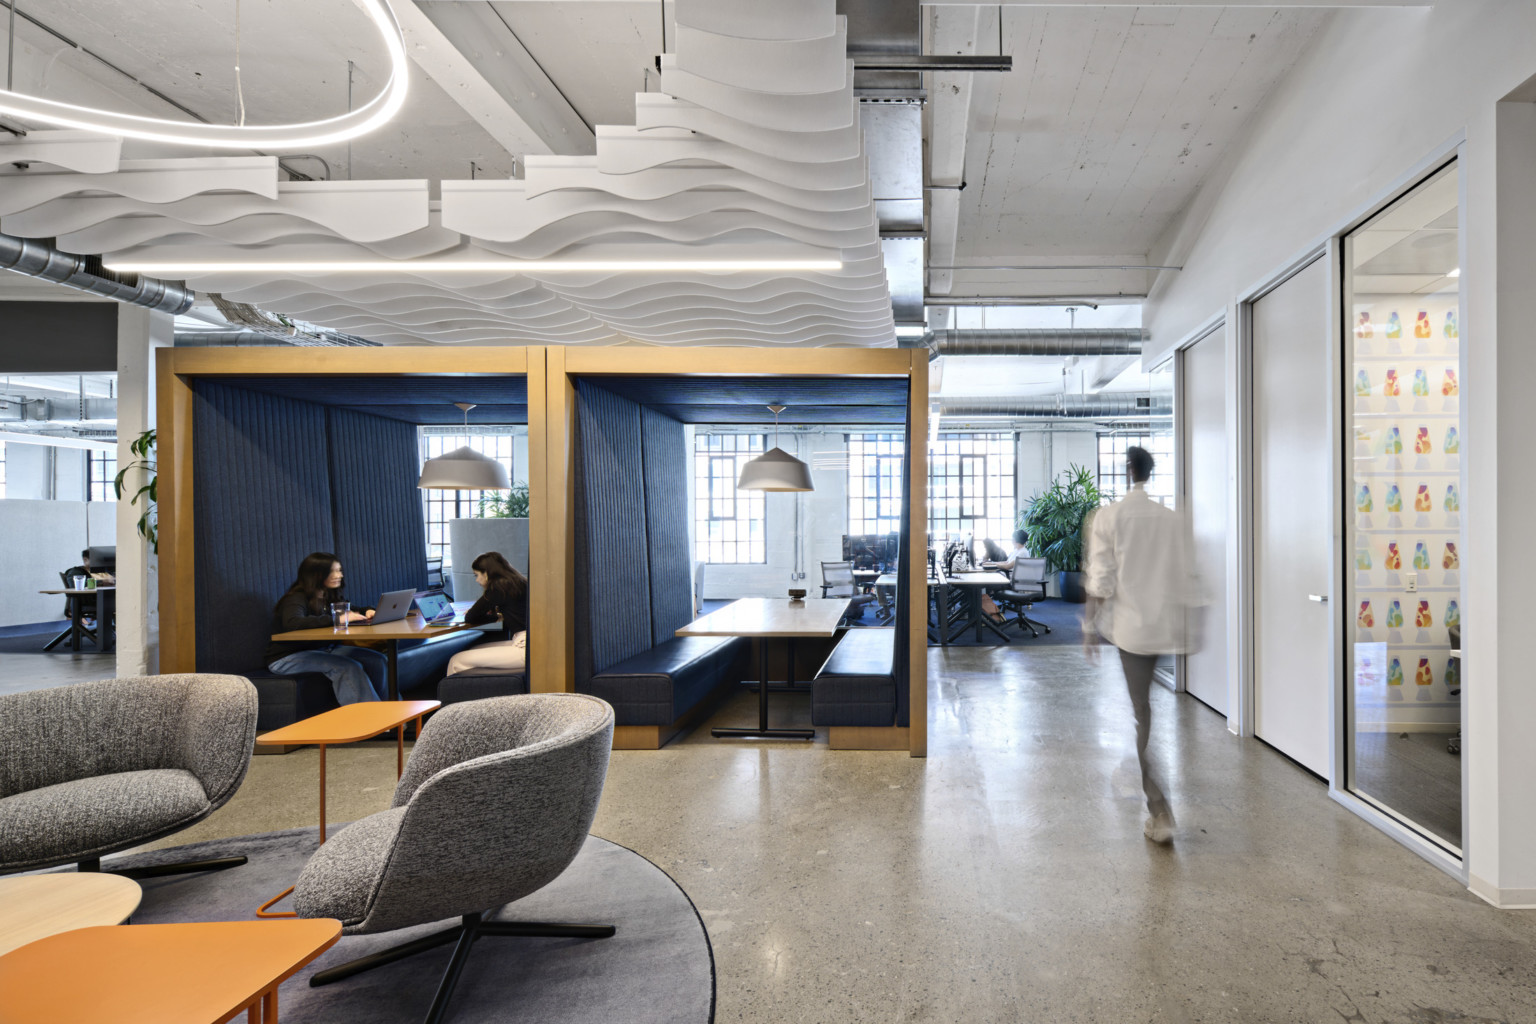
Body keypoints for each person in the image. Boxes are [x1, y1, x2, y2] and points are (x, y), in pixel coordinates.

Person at [1082, 447, 1199, 845]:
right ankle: (1144, 787)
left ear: (1127, 470)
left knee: (1141, 714)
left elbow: (1101, 578)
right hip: (1165, 626)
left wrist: (1087, 624)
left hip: (1132, 630)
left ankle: (1160, 810)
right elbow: (1188, 573)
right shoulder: (1171, 520)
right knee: (1143, 712)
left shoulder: (1110, 517)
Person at [265, 552, 387, 704]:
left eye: (340, 570)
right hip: (286, 658)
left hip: (322, 650)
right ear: (316, 575)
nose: (339, 575)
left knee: (378, 659)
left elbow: (354, 610)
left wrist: (368, 610)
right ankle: (373, 722)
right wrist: (337, 619)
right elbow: (293, 623)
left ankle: (394, 714)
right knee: (347, 667)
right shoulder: (296, 598)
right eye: (333, 571)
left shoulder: (328, 596)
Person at [445, 551, 529, 676]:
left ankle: (454, 695)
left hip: (524, 648)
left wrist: (494, 617)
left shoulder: (498, 588)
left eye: (477, 575)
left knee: (456, 661)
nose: (477, 580)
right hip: (527, 642)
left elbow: (470, 617)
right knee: (474, 650)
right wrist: (497, 616)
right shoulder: (519, 582)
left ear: (487, 573)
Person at [979, 529, 1031, 622]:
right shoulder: (1017, 550)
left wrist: (993, 565)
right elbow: (1006, 562)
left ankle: (990, 614)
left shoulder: (1022, 552)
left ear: (1015, 539)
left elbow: (1008, 566)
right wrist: (992, 563)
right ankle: (987, 612)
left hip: (1012, 581)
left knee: (984, 585)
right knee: (984, 584)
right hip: (1009, 578)